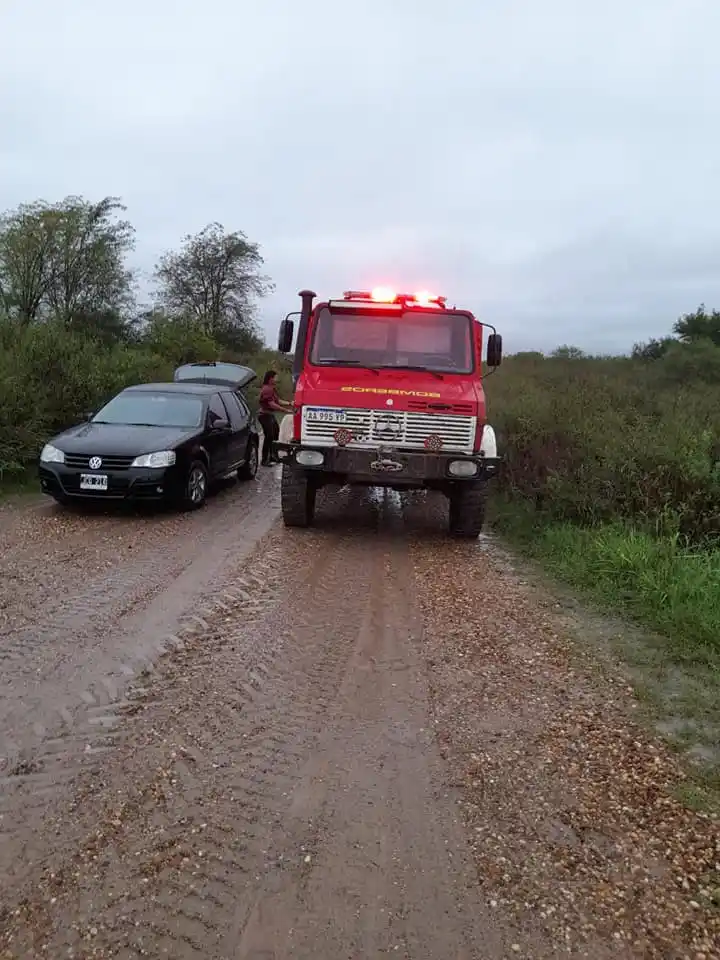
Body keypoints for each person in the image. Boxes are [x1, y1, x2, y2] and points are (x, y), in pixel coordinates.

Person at [258, 370, 293, 465]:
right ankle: (265, 460)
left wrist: (289, 403)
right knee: (269, 437)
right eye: (275, 377)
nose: (277, 379)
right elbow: (272, 404)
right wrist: (285, 410)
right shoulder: (267, 389)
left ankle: (273, 456)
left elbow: (278, 401)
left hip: (270, 415)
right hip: (265, 415)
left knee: (275, 434)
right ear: (270, 378)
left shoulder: (271, 389)